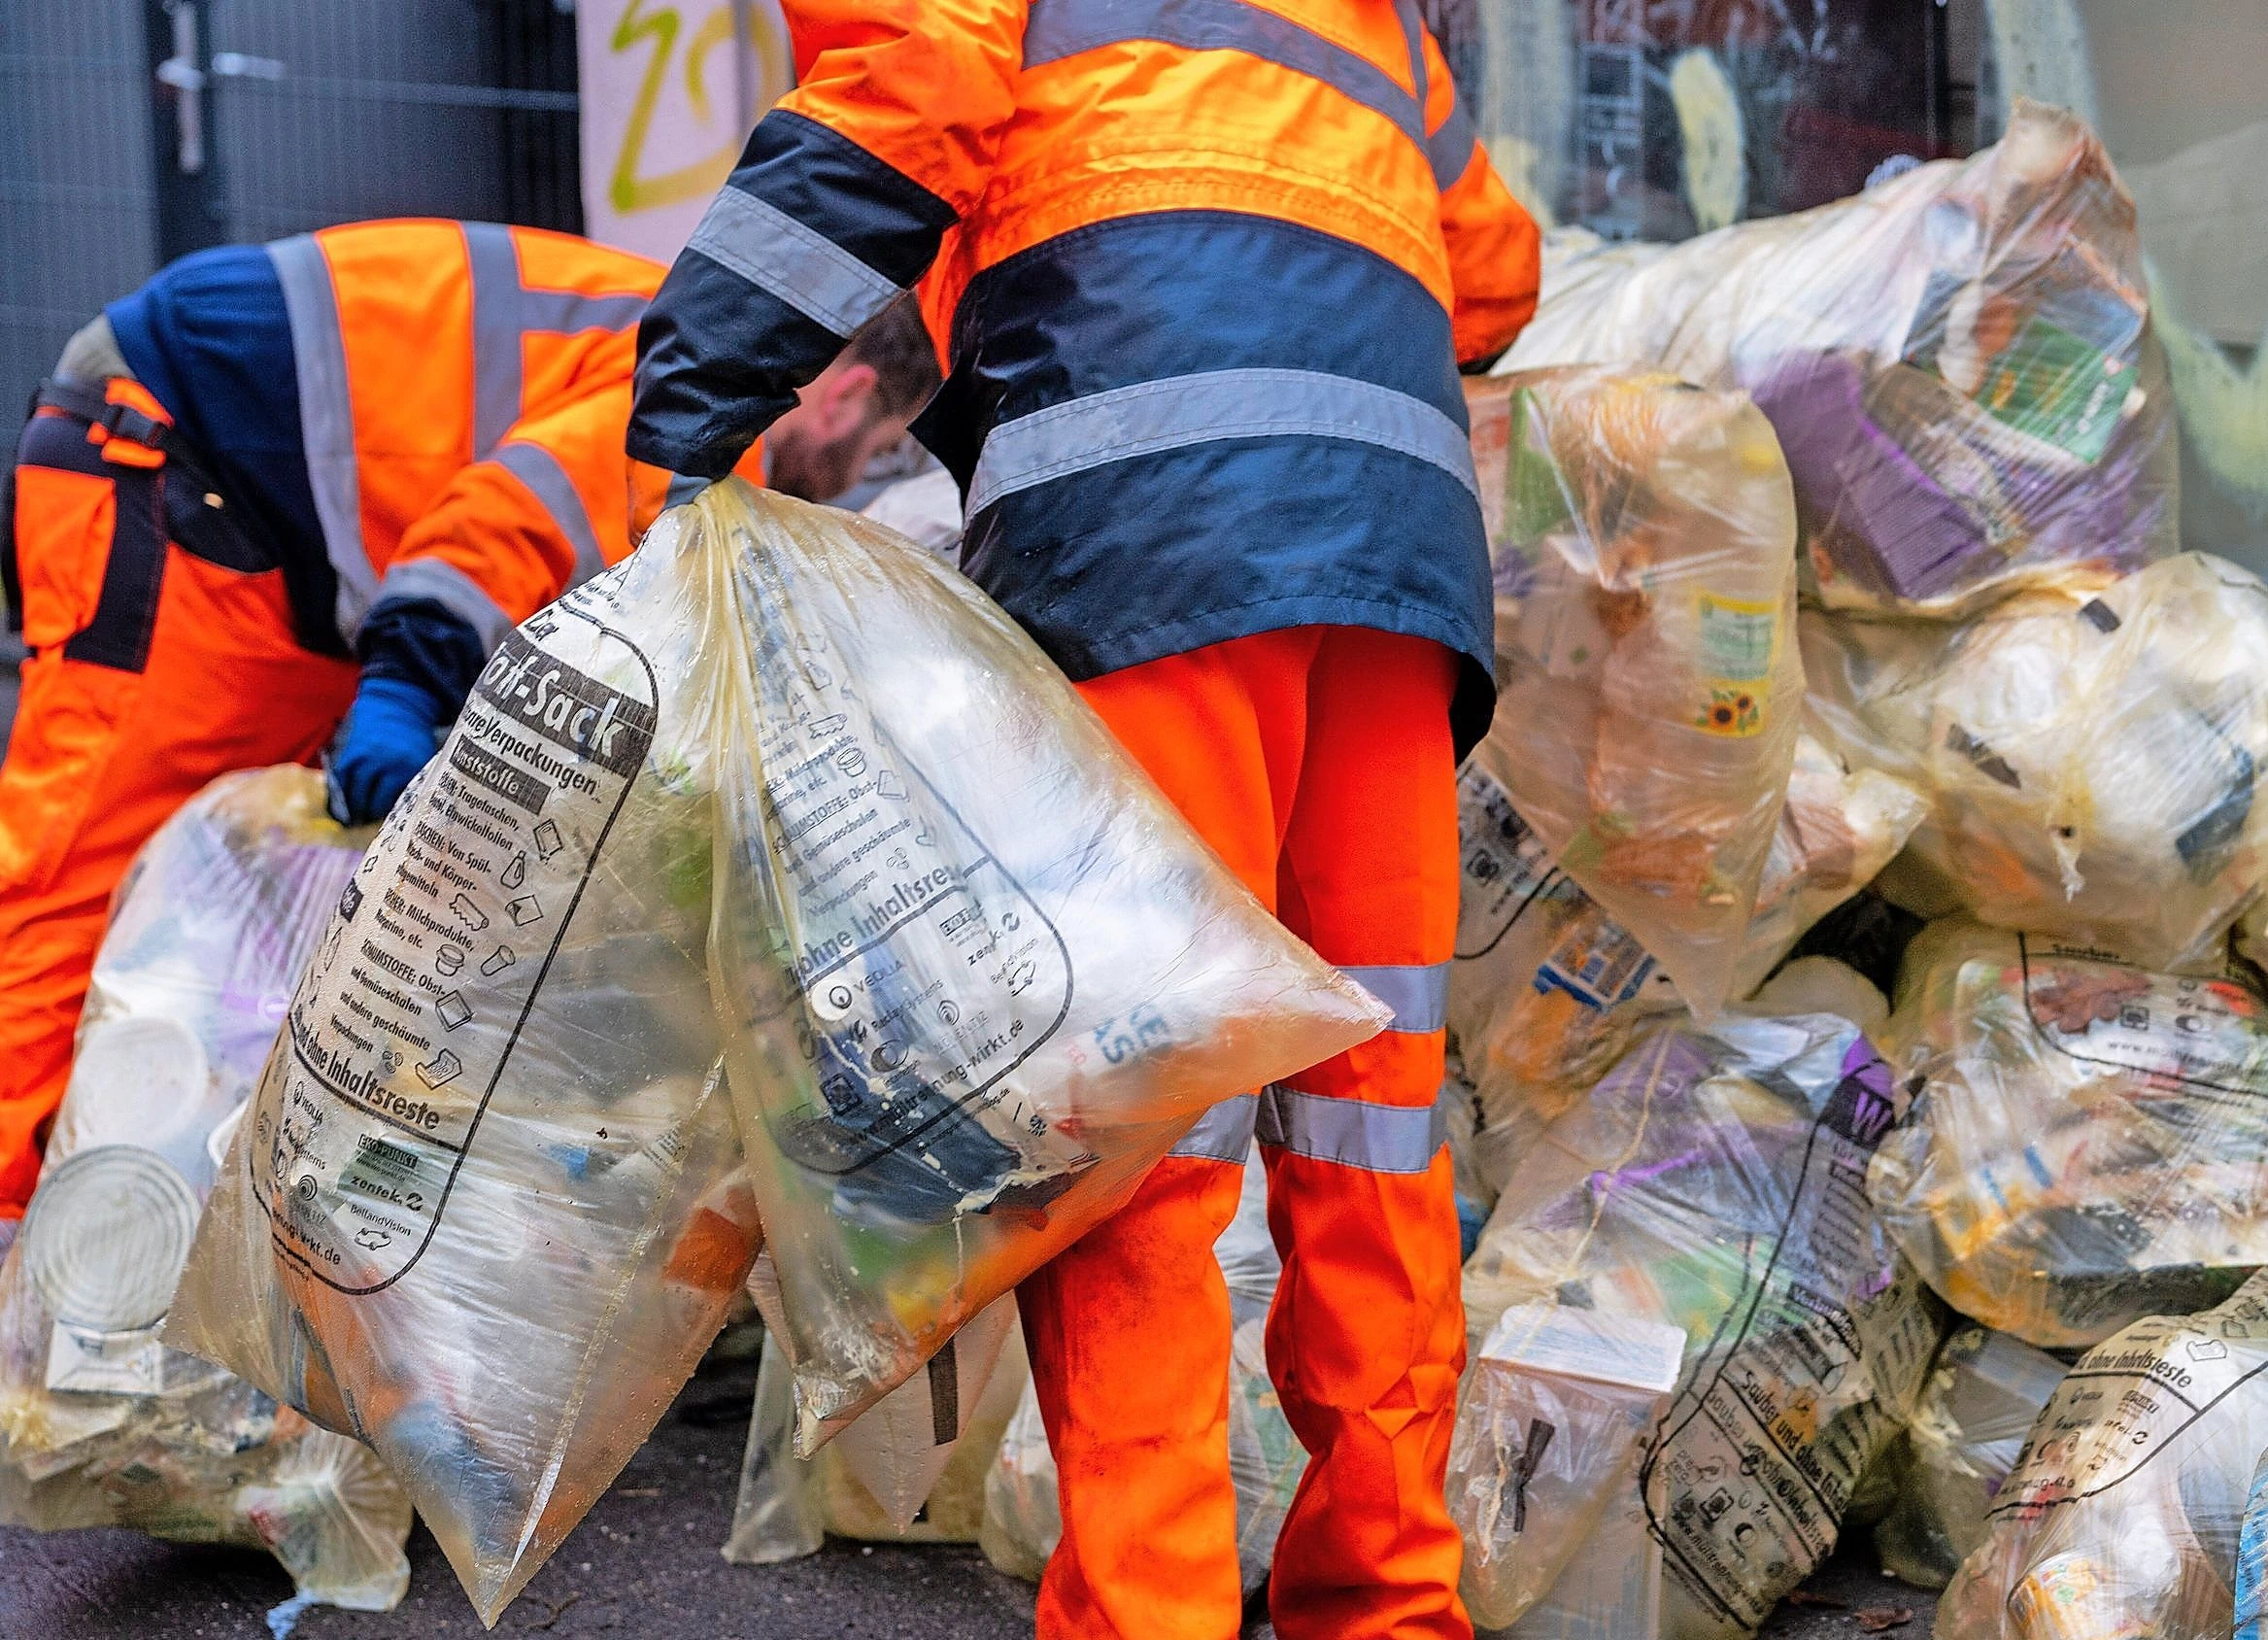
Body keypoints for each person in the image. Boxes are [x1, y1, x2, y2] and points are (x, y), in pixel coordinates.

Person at [626, 0, 1541, 1633]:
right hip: (1397, 561)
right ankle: (1389, 1600)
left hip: (1153, 523)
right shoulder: (1374, 20)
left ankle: (1152, 1607)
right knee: (1370, 1116)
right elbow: (1499, 275)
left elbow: (901, 96)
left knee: (1135, 1118)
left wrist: (690, 412)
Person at [0, 218, 936, 1217]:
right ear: (844, 392)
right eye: (877, 446)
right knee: (83, 881)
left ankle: (129, 1224)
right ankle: (21, 1233)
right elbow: (499, 526)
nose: (858, 474)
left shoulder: (685, 343)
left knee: (229, 910)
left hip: (254, 505)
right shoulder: (713, 396)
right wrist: (405, 687)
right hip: (171, 450)